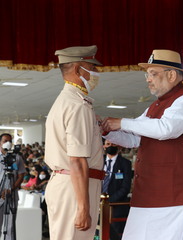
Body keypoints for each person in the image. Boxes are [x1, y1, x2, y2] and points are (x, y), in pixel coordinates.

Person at [102, 49, 183, 240]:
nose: (148, 79)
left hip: (176, 196)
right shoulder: (155, 106)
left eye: (153, 74)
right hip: (148, 194)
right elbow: (135, 139)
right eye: (147, 74)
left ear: (171, 74)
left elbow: (166, 128)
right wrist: (107, 130)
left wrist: (122, 122)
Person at [45, 45, 104, 240]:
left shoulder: (66, 101)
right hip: (75, 187)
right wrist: (83, 207)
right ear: (79, 70)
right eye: (92, 68)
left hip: (70, 185)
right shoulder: (78, 105)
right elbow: (77, 160)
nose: (95, 73)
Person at [102, 140, 132, 240]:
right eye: (108, 144)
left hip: (116, 207)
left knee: (114, 236)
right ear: (104, 146)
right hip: (97, 205)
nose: (111, 146)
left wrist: (108, 201)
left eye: (113, 144)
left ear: (118, 146)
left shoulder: (125, 163)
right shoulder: (98, 161)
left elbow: (125, 187)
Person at [0, 133, 26, 240]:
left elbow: (21, 175)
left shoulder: (17, 157)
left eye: (10, 141)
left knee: (10, 226)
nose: (8, 143)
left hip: (11, 195)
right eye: (5, 141)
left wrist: (11, 189)